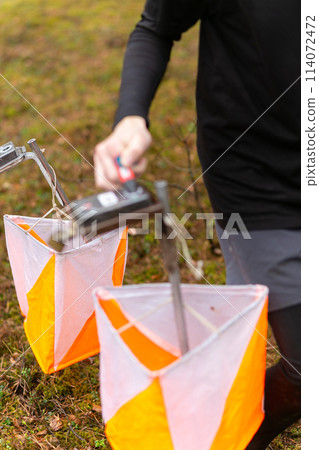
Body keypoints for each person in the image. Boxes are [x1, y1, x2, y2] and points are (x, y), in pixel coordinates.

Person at [94, 1, 301, 448]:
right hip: (259, 178)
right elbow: (155, 27)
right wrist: (131, 115)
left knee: (241, 326)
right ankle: (211, 432)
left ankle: (212, 415)